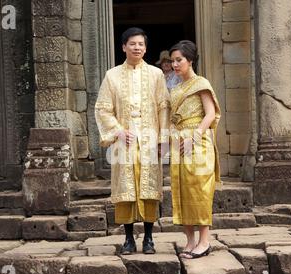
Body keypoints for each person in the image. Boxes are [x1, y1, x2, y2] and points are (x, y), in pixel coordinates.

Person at [95, 27, 170, 255]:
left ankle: (148, 237)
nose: (137, 47)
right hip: (123, 141)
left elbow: (163, 107)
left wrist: (163, 139)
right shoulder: (112, 75)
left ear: (146, 48)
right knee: (126, 188)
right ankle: (128, 238)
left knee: (149, 187)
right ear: (123, 47)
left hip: (149, 139)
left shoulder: (156, 75)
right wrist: (117, 131)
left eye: (141, 44)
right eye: (132, 44)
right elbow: (103, 108)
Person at [169, 40, 221, 259]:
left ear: (190, 60)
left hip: (198, 141)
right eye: (172, 61)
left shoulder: (201, 83)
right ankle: (190, 241)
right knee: (181, 189)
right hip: (179, 141)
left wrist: (195, 137)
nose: (175, 64)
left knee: (199, 189)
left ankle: (205, 241)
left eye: (179, 60)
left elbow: (210, 114)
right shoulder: (176, 88)